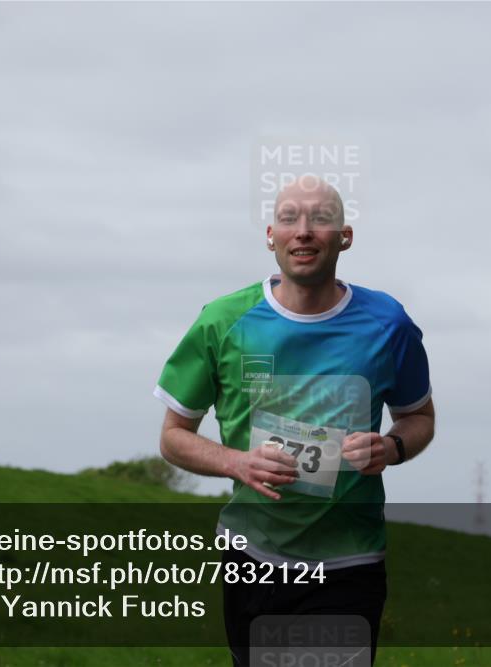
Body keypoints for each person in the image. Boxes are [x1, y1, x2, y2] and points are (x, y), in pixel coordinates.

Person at [154, 175, 435, 666]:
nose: (303, 230)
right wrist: (239, 463)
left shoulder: (388, 323)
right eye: (289, 219)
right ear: (271, 236)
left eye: (320, 219)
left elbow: (419, 417)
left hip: (350, 557)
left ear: (344, 237)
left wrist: (391, 449)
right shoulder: (222, 321)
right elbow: (174, 437)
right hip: (254, 557)